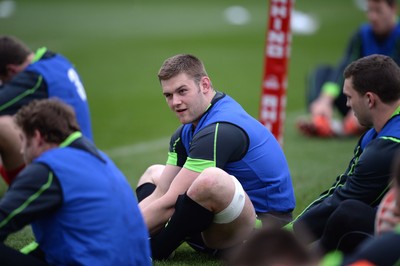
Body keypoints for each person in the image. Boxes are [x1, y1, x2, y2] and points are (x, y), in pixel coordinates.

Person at [135, 54, 295, 260]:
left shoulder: (219, 128)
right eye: (168, 95)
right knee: (154, 173)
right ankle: (149, 239)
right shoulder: (186, 131)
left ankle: (154, 249)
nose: (175, 102)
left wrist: (115, 239)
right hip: (223, 223)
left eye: (182, 91)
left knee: (211, 180)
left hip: (264, 232)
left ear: (204, 84)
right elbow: (161, 194)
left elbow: (170, 202)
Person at [0, 99, 151, 266]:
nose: (21, 150)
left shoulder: (49, 169)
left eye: (22, 139)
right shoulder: (98, 159)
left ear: (37, 137)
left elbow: (4, 218)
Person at [289, 54, 400, 255]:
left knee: (349, 215)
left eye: (349, 97)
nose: (347, 105)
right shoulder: (373, 135)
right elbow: (341, 187)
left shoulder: (386, 146)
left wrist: (285, 237)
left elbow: (342, 199)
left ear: (369, 99)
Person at [297, 0, 400, 138]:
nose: (373, 17)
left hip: (385, 102)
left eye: (378, 11)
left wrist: (366, 105)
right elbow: (344, 68)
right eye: (370, 11)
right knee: (321, 72)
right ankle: (321, 118)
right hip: (358, 100)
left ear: (393, 9)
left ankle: (352, 126)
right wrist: (325, 99)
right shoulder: (362, 34)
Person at [0, 35, 93, 185]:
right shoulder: (55, 61)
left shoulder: (35, 78)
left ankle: (23, 191)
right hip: (85, 157)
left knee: (3, 127)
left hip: (67, 169)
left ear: (11, 71)